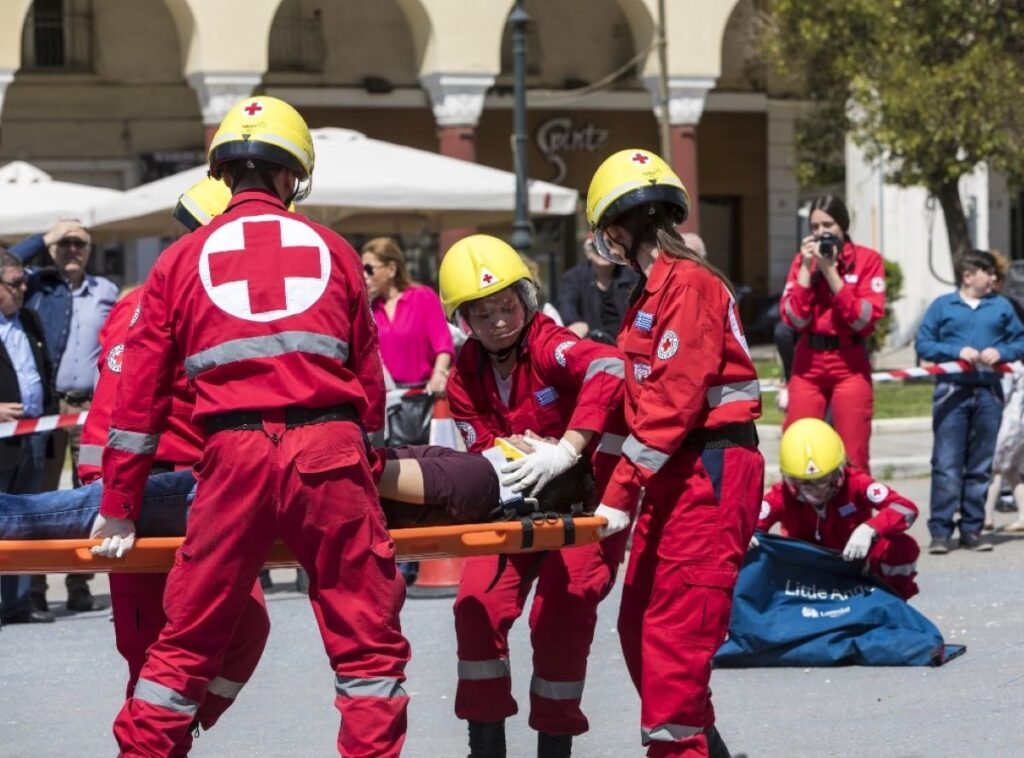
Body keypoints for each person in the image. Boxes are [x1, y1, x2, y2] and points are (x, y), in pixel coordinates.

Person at [89, 95, 410, 757]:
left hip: (230, 459)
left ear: (223, 174)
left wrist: (120, 505)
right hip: (329, 452)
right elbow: (369, 383)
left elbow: (138, 402)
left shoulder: (178, 263)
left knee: (184, 644)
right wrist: (368, 474)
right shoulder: (335, 249)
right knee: (367, 648)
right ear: (294, 175)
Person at [586, 148, 764, 758]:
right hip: (676, 472)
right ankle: (701, 745)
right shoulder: (653, 294)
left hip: (709, 468)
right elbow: (641, 404)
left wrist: (617, 494)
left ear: (615, 230)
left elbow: (673, 403)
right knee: (640, 625)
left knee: (673, 638)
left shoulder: (688, 287)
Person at [440, 234, 629, 758]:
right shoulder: (463, 375)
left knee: (559, 618)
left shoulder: (549, 342)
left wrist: (567, 449)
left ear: (526, 299)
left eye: (507, 305)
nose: (499, 320)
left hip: (582, 507)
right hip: (515, 509)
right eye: (482, 314)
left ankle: (554, 745)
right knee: (474, 604)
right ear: (464, 322)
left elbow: (610, 367)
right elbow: (480, 450)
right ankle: (486, 746)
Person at [11, 218, 118, 613]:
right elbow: (6, 263)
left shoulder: (106, 291)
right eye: (65, 243)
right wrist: (43, 235)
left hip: (91, 408)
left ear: (90, 249)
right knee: (41, 493)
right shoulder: (37, 284)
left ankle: (79, 583)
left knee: (88, 492)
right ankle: (35, 587)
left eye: (79, 242)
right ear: (53, 248)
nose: (72, 249)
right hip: (48, 410)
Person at [916, 249, 1024, 554]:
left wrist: (1002, 353)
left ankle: (972, 529)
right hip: (953, 391)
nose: (992, 278)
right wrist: (955, 350)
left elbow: (1020, 340)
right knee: (947, 464)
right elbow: (924, 342)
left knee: (980, 466)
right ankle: (940, 530)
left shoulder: (1001, 306)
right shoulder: (942, 306)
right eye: (987, 273)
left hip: (989, 393)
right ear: (968, 276)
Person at [756, 418, 920, 599]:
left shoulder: (856, 482)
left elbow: (906, 508)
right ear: (790, 478)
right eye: (805, 483)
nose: (815, 490)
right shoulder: (782, 495)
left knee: (902, 547)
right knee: (751, 552)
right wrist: (750, 537)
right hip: (808, 572)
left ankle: (892, 603)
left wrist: (870, 529)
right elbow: (751, 525)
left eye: (823, 480)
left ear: (839, 470)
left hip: (857, 564)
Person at [778, 195, 885, 471]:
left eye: (828, 224)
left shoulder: (867, 260)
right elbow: (793, 319)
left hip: (849, 362)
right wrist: (805, 267)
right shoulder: (803, 262)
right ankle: (800, 513)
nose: (821, 232)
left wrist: (831, 273)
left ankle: (854, 513)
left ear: (843, 226)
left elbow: (864, 320)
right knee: (798, 448)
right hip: (808, 362)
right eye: (814, 227)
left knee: (854, 455)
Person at [0, 250, 56, 625]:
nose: (23, 289)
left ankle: (19, 603)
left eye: (25, 282)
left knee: (27, 521)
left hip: (35, 434)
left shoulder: (30, 320)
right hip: (3, 440)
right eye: (14, 283)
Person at [362, 236, 454, 399]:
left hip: (424, 397)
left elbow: (443, 346)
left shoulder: (423, 297)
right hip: (385, 401)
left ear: (391, 269)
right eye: (361, 269)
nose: (364, 275)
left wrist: (439, 374)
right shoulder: (370, 309)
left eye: (369, 269)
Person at [556, 232, 638, 344]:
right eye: (597, 247)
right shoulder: (573, 278)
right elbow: (566, 307)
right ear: (587, 251)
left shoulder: (633, 277)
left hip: (627, 345)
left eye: (608, 246)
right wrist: (575, 324)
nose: (602, 252)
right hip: (591, 347)